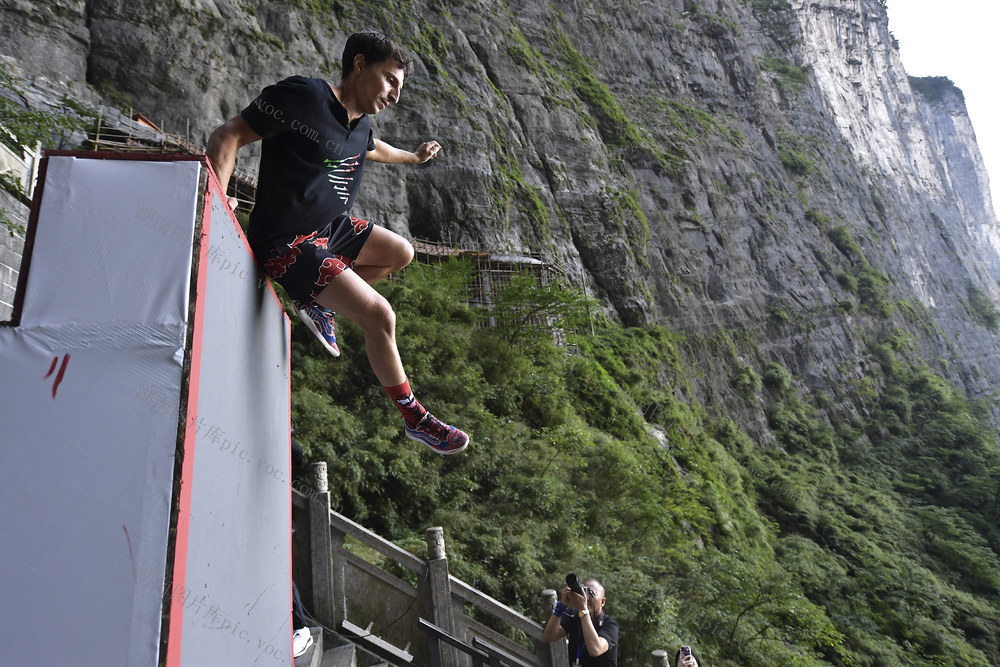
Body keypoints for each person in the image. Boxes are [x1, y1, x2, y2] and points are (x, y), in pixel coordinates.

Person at [206, 30, 468, 454]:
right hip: (287, 242)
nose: (395, 96)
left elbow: (374, 148)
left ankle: (314, 299)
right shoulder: (302, 97)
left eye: (400, 87)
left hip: (329, 231)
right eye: (390, 81)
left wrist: (414, 157)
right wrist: (215, 210)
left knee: (402, 252)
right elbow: (228, 135)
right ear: (359, 65)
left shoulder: (359, 125)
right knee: (381, 316)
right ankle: (415, 418)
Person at [543, 577, 618, 666]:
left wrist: (583, 610)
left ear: (602, 602)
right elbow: (549, 636)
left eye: (592, 593)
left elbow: (595, 649)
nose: (587, 598)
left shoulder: (609, 625)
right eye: (584, 592)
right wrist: (562, 605)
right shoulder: (574, 615)